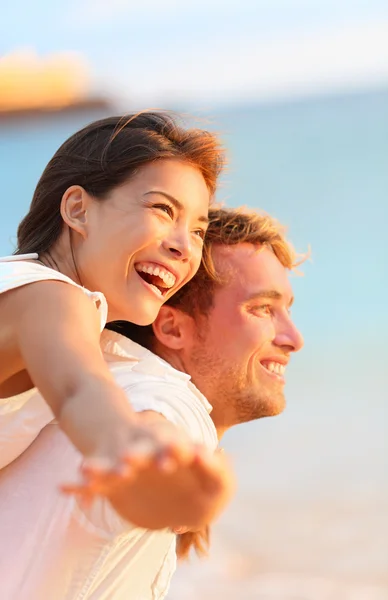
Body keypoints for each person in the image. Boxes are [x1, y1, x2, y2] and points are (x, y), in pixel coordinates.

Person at [0, 206, 304, 599]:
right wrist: (163, 461)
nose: (293, 338)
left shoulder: (92, 387)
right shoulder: (164, 399)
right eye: (262, 309)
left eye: (287, 310)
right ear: (173, 327)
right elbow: (154, 424)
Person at [0, 111, 233, 531]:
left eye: (198, 230)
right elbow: (78, 391)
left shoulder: (26, 292)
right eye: (163, 209)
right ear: (78, 210)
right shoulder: (49, 296)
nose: (185, 247)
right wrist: (130, 447)